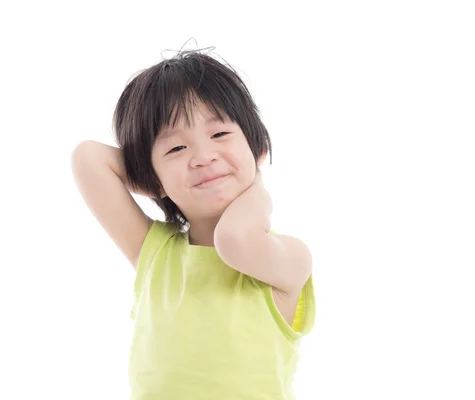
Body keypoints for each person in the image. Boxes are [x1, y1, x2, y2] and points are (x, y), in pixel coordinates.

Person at [71, 47, 316, 399]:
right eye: (176, 149)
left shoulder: (288, 260)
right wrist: (152, 178)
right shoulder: (154, 254)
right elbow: (87, 157)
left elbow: (234, 241)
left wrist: (257, 186)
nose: (203, 157)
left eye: (219, 135)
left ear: (258, 146)